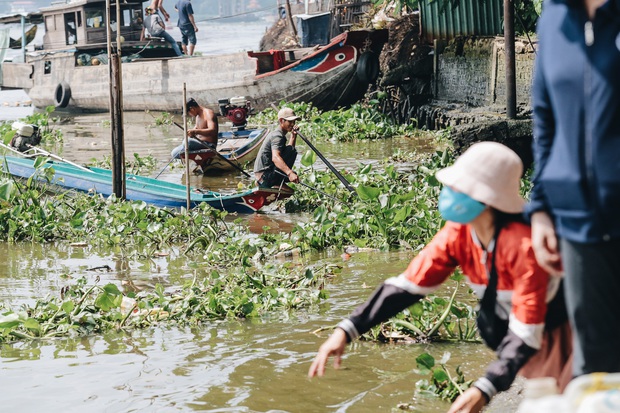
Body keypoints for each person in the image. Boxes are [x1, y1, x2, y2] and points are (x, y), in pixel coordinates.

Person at [308, 142, 572, 413]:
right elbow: (407, 286)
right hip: (523, 340)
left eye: (457, 188)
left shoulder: (524, 247)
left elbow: (526, 330)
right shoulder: (458, 232)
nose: (448, 193)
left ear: (485, 199)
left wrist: (485, 388)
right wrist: (347, 329)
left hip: (562, 335)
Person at [528, 0, 620, 379]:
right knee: (594, 367)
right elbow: (545, 120)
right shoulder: (552, 20)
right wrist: (541, 209)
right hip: (578, 223)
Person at [253, 107, 301, 191]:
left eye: (294, 122)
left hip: (266, 173)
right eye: (290, 122)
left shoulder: (279, 134)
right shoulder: (277, 136)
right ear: (282, 121)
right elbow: (275, 158)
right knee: (291, 154)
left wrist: (293, 136)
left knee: (291, 152)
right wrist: (289, 173)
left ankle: (277, 182)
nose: (293, 124)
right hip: (264, 176)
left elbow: (288, 151)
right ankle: (275, 184)